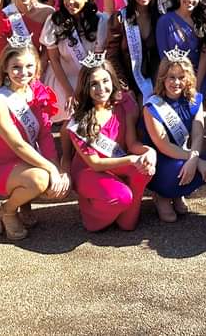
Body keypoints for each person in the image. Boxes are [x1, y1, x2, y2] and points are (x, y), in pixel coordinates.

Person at [0, 43, 70, 241]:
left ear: (37, 66)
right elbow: (17, 145)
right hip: (5, 165)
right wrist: (50, 169)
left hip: (30, 161)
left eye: (29, 66)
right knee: (41, 180)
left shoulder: (36, 91)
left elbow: (44, 136)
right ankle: (7, 210)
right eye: (16, 67)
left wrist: (56, 168)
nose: (23, 73)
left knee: (61, 184)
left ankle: (25, 202)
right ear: (5, 68)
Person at [61, 58, 156, 232]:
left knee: (144, 169)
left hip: (117, 165)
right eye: (94, 84)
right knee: (121, 197)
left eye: (105, 81)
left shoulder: (123, 104)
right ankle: (92, 213)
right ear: (85, 87)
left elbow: (132, 143)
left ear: (112, 80)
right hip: (89, 171)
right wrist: (131, 160)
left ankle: (124, 211)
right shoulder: (80, 118)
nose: (101, 88)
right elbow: (95, 163)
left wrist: (148, 152)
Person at [143, 52, 206, 222]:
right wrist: (195, 160)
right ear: (162, 78)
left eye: (181, 77)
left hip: (183, 154)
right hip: (160, 159)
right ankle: (162, 195)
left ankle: (177, 193)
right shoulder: (152, 107)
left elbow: (198, 134)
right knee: (181, 167)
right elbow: (164, 146)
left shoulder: (195, 100)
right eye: (171, 77)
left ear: (188, 78)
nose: (176, 82)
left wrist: (194, 159)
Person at [41, 0, 100, 121]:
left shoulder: (100, 20)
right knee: (67, 108)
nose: (69, 2)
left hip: (90, 78)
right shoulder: (55, 21)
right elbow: (54, 59)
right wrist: (69, 92)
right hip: (62, 78)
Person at [103, 0, 160, 102]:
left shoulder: (159, 18)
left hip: (156, 85)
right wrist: (124, 87)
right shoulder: (120, 18)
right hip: (128, 85)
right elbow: (112, 56)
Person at [0, 0, 54, 78]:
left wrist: (36, 74)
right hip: (7, 68)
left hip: (36, 67)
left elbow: (47, 50)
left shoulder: (48, 13)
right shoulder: (3, 15)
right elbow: (2, 51)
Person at [157, 0, 206, 92]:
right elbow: (164, 57)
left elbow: (205, 55)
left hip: (199, 79)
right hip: (174, 82)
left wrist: (197, 85)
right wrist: (177, 81)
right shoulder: (164, 21)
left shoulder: (205, 20)